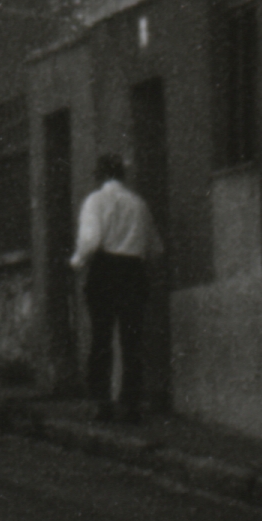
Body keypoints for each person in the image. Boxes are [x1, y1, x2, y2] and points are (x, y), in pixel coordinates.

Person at [71, 153, 164, 423]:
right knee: (131, 340)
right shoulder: (139, 204)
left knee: (101, 337)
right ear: (122, 175)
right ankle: (130, 403)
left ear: (100, 175)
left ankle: (100, 402)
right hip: (133, 272)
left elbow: (91, 240)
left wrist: (77, 262)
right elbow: (156, 248)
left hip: (105, 270)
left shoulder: (95, 201)